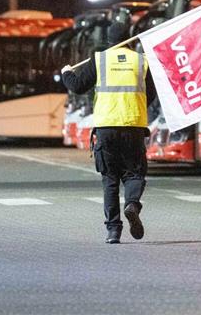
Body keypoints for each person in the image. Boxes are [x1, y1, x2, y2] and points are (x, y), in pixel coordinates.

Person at [61, 21, 152, 244]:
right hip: (133, 126)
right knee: (134, 173)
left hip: (106, 128)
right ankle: (132, 204)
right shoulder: (142, 61)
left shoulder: (100, 59)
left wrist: (66, 73)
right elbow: (151, 94)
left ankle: (113, 231)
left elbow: (78, 86)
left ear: (109, 40)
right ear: (129, 39)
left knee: (110, 179)